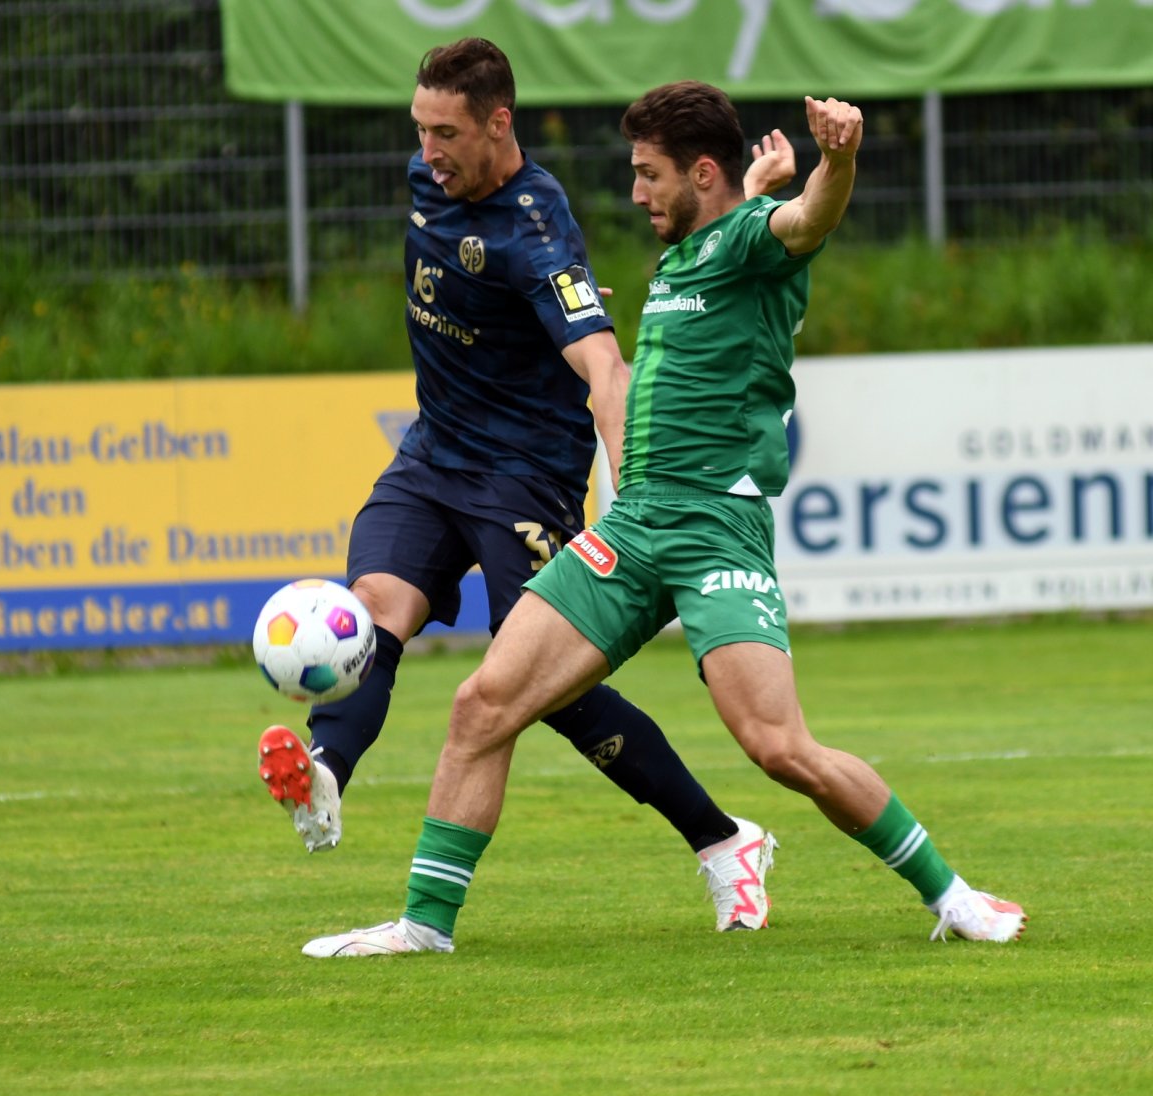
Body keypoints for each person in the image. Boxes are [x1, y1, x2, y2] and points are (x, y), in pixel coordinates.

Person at [300, 80, 1029, 958]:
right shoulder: (701, 243)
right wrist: (759, 190)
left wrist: (837, 161)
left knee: (776, 745)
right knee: (483, 702)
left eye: (649, 176)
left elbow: (805, 223)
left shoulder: (756, 238)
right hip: (635, 524)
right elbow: (748, 220)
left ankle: (953, 896)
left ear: (704, 172)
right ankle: (424, 926)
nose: (636, 193)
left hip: (715, 530)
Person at [257, 40, 800, 934]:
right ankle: (324, 773)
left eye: (447, 133)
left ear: (498, 124)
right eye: (420, 129)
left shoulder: (537, 227)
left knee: (547, 691)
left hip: (525, 478)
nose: (429, 150)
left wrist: (635, 507)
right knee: (373, 604)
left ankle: (721, 837)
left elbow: (603, 368)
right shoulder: (429, 176)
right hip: (433, 456)